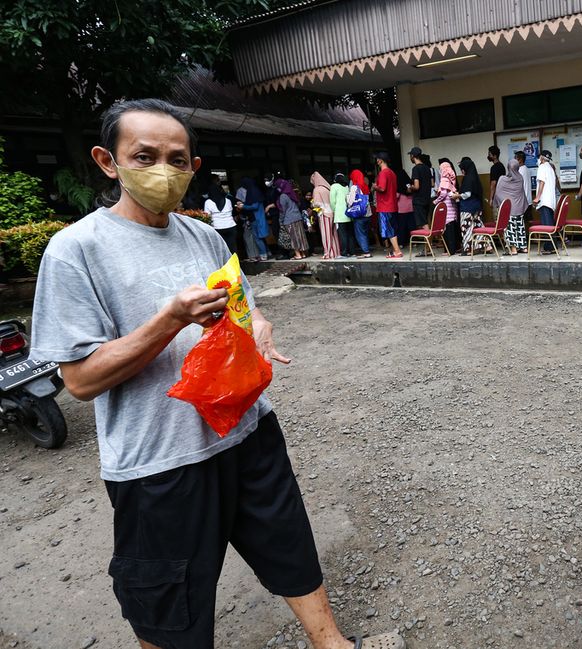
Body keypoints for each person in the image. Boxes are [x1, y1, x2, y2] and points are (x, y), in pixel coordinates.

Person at [29, 98, 403, 649]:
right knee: (168, 604)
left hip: (249, 432)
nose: (163, 170)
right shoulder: (75, 251)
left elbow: (242, 311)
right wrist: (168, 320)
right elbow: (80, 380)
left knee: (289, 544)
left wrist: (261, 327)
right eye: (145, 156)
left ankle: (332, 643)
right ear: (109, 162)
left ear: (194, 169)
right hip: (159, 461)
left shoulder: (203, 236)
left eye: (177, 160)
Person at [494, 158, 529, 255]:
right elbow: (521, 193)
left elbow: (498, 193)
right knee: (520, 228)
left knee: (510, 229)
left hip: (509, 210)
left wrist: (502, 204)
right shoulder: (520, 178)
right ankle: (523, 247)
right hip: (519, 209)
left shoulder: (502, 179)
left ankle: (513, 249)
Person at [371, 152, 402, 259]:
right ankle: (396, 250)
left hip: (385, 205)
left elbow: (382, 188)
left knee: (389, 229)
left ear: (380, 160)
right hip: (392, 204)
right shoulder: (392, 173)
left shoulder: (383, 173)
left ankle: (397, 251)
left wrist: (375, 187)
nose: (376, 161)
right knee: (393, 227)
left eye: (377, 159)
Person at [457, 156, 487, 254]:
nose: (462, 171)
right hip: (477, 206)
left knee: (467, 228)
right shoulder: (475, 177)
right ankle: (485, 245)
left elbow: (467, 194)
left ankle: (469, 249)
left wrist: (457, 195)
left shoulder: (467, 178)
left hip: (467, 207)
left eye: (462, 169)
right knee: (478, 226)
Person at [237, 177, 270, 261]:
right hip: (257, 218)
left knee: (258, 238)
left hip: (256, 219)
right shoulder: (255, 191)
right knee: (261, 237)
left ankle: (263, 255)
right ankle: (267, 252)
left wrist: (243, 206)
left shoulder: (253, 192)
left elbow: (254, 206)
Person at [532, 150, 558, 254]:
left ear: (542, 158)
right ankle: (553, 246)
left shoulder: (542, 167)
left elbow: (542, 182)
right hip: (551, 201)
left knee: (547, 225)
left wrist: (537, 197)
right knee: (550, 224)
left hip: (545, 201)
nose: (538, 160)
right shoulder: (551, 168)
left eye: (539, 158)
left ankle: (549, 248)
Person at [275, 178, 308, 259]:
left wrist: (280, 221)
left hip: (289, 219)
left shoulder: (283, 196)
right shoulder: (292, 193)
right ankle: (303, 253)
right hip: (298, 217)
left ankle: (298, 254)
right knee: (300, 236)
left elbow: (283, 210)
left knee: (293, 237)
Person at [310, 172, 341, 260]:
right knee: (333, 234)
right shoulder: (328, 188)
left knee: (326, 235)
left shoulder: (317, 189)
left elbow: (317, 203)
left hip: (324, 214)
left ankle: (327, 253)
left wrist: (312, 204)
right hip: (332, 213)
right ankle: (335, 252)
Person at [205, 179, 237, 255]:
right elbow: (231, 211)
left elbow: (207, 216)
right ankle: (235, 265)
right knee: (232, 248)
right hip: (231, 226)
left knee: (221, 250)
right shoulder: (228, 200)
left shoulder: (208, 202)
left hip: (217, 227)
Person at [436, 159, 459, 256]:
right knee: (452, 230)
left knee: (447, 231)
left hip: (447, 209)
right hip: (453, 208)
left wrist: (436, 201)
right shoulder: (451, 179)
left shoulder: (444, 180)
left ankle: (449, 251)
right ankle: (453, 249)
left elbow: (443, 193)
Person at [348, 169, 372, 258]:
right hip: (368, 213)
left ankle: (366, 252)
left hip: (360, 214)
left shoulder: (354, 187)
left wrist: (347, 202)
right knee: (365, 233)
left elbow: (350, 201)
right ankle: (366, 249)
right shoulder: (365, 185)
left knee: (360, 234)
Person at [330, 172, 355, 258]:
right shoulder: (347, 186)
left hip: (340, 215)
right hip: (349, 214)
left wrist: (334, 210)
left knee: (342, 234)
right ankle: (352, 252)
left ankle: (344, 252)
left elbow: (332, 201)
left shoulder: (334, 186)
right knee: (350, 234)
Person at [407, 147, 432, 229]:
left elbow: (416, 186)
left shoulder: (416, 169)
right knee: (426, 220)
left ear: (413, 156)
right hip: (427, 199)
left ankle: (429, 240)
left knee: (423, 222)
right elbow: (432, 183)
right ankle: (427, 239)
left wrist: (410, 187)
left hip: (418, 200)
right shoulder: (427, 168)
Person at [394, 167, 415, 247]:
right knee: (412, 225)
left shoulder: (398, 185)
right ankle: (414, 242)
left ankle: (402, 243)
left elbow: (396, 196)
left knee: (401, 226)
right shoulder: (409, 182)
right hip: (411, 208)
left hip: (401, 209)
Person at [514, 150, 533, 223]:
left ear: (520, 160)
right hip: (528, 200)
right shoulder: (527, 169)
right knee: (528, 221)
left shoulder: (519, 171)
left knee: (521, 222)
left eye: (515, 159)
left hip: (521, 201)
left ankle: (524, 235)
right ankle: (531, 234)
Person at [486, 145, 505, 210]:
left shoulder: (494, 168)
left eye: (490, 154)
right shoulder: (502, 166)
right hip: (503, 195)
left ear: (495, 156)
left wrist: (491, 199)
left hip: (497, 197)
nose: (488, 156)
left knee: (497, 216)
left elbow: (493, 184)